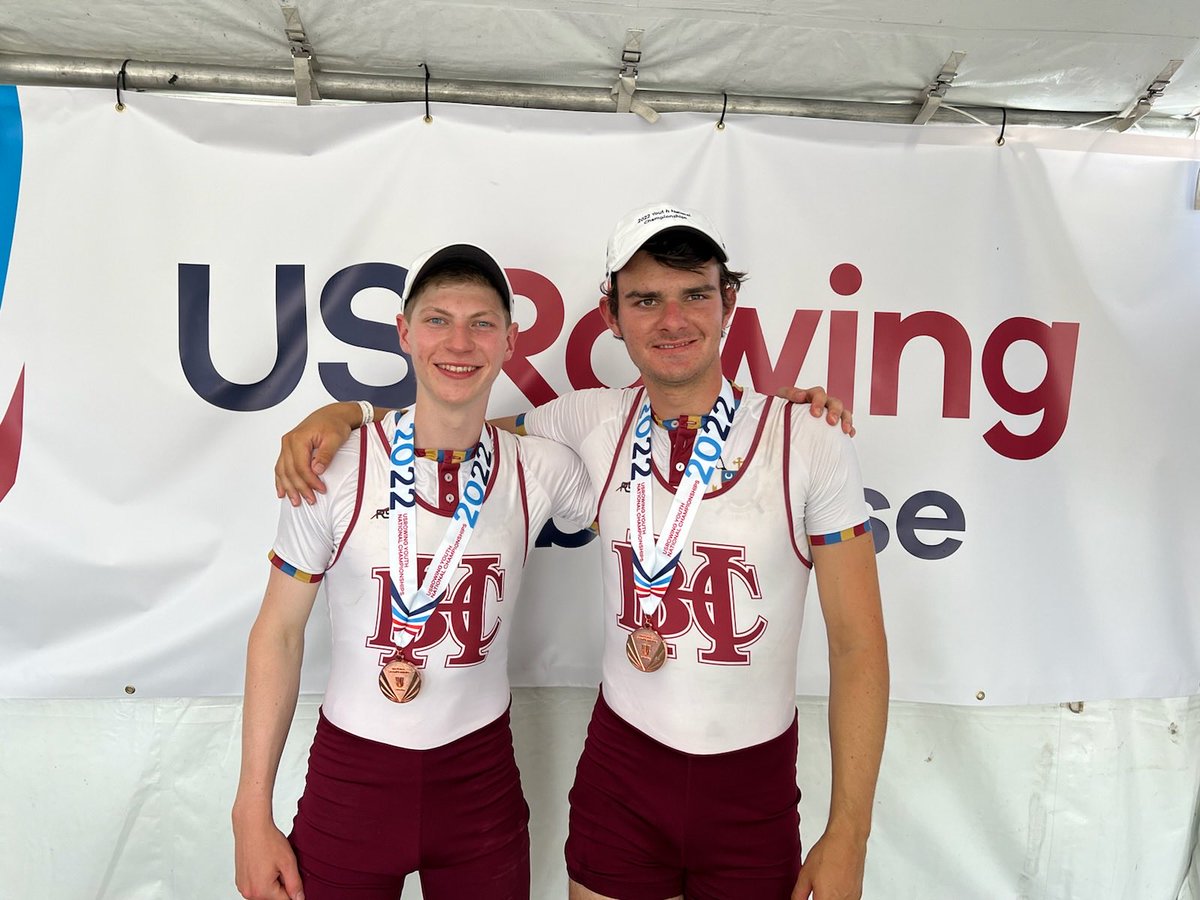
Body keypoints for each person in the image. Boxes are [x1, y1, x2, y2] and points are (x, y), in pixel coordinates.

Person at [275, 204, 885, 900]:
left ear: (729, 303)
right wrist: (348, 414)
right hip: (623, 778)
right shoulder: (587, 419)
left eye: (694, 295)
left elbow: (858, 645)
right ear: (611, 316)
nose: (673, 320)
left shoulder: (810, 439)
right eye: (646, 300)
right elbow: (455, 421)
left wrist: (850, 832)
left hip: (754, 790)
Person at [232, 243, 596, 900]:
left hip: (479, 785)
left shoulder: (540, 469)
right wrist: (249, 816)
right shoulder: (333, 466)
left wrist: (772, 419)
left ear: (510, 340)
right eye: (437, 320)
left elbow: (655, 475)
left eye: (481, 323)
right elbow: (278, 634)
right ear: (404, 332)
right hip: (353, 782)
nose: (459, 342)